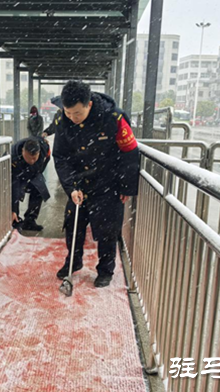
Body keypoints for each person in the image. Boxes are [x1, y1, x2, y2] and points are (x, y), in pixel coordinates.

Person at [51, 80, 140, 288]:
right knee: (73, 224)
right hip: (80, 181)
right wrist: (71, 187)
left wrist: (126, 186)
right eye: (68, 113)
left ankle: (105, 270)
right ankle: (73, 262)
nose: (72, 118)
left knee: (107, 228)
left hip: (108, 180)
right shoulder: (62, 119)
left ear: (89, 104)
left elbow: (130, 151)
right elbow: (60, 156)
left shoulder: (113, 118)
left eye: (77, 114)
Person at [12, 137, 51, 231]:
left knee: (39, 188)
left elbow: (48, 157)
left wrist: (38, 171)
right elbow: (13, 185)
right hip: (17, 174)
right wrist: (13, 210)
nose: (32, 161)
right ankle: (15, 219)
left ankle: (30, 220)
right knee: (16, 192)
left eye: (34, 158)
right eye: (29, 158)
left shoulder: (44, 147)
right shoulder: (13, 155)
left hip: (34, 172)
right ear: (23, 151)